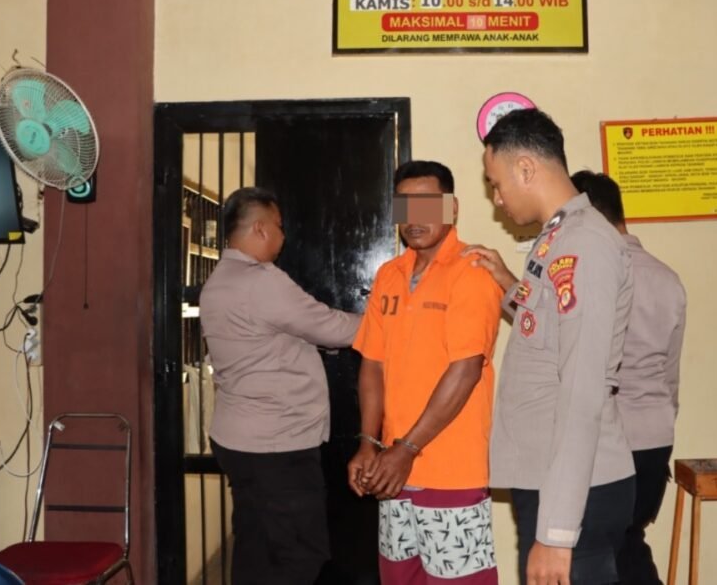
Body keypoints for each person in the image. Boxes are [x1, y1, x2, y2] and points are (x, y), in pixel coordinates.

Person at [463, 108, 636, 585]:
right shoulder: (558, 236)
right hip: (551, 477)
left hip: (575, 491)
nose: (497, 199)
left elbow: (582, 390)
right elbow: (547, 326)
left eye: (496, 184)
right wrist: (506, 282)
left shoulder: (586, 244)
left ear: (526, 168)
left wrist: (558, 532)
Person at [347, 160, 504, 585]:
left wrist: (407, 449)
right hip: (392, 471)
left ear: (451, 208)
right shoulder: (389, 275)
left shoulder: (472, 271)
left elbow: (466, 369)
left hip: (451, 472)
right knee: (400, 578)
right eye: (404, 205)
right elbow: (373, 363)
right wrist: (368, 443)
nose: (414, 218)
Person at [200, 186, 361, 585]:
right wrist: (389, 316)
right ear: (259, 228)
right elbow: (331, 327)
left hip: (240, 439)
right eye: (279, 226)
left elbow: (277, 336)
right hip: (276, 446)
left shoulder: (219, 280)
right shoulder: (261, 282)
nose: (283, 236)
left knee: (255, 548)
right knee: (299, 556)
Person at [571, 170, 687, 585]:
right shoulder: (667, 277)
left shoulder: (594, 277)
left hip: (607, 439)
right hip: (654, 435)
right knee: (628, 543)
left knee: (593, 551)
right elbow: (671, 370)